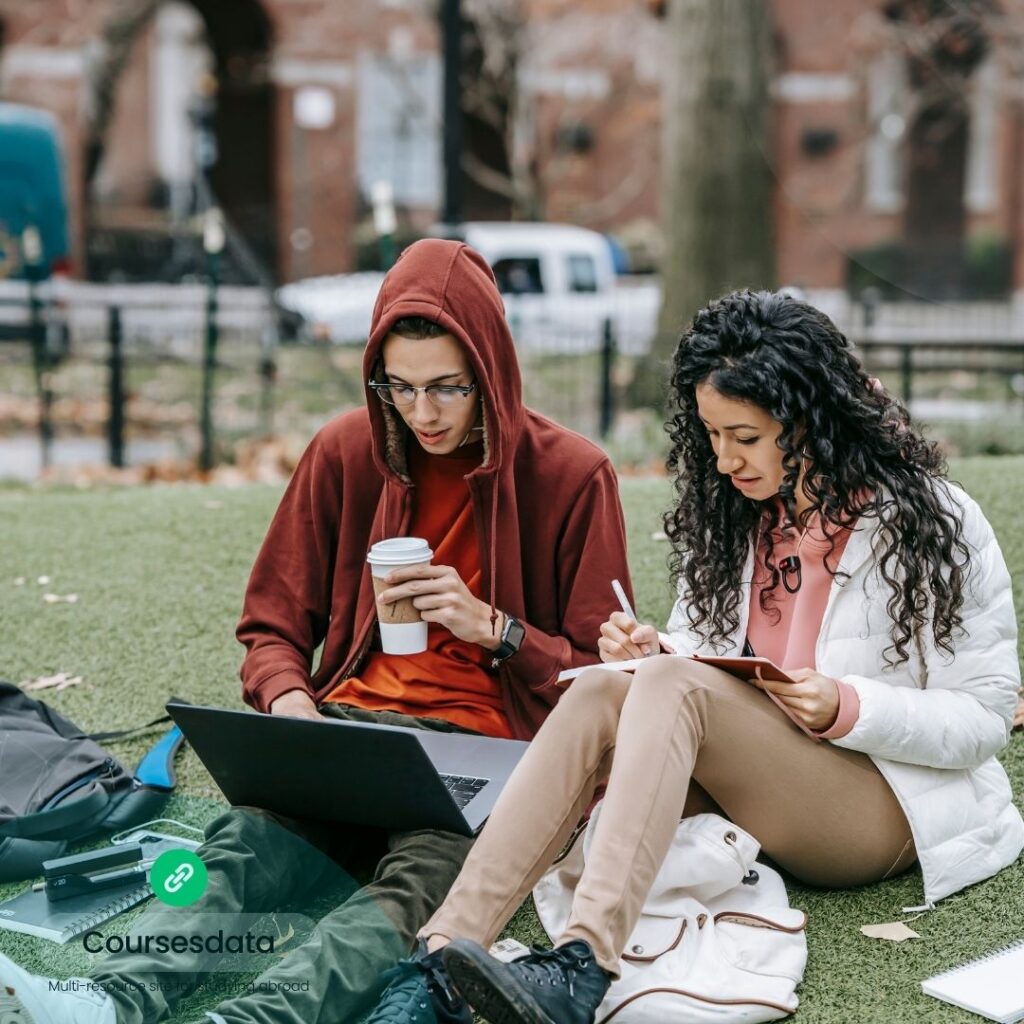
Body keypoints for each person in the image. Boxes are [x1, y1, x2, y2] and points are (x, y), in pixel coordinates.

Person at [0, 239, 632, 1024]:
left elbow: (603, 683)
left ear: (492, 374)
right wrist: (292, 705)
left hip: (487, 758)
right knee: (237, 851)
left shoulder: (573, 475)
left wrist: (496, 629)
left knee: (408, 896)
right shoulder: (344, 453)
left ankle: (254, 1019)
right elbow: (270, 626)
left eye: (447, 388)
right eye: (398, 386)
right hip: (346, 734)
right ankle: (110, 998)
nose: (422, 412)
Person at [363, 289, 1024, 1024]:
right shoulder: (734, 517)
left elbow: (987, 716)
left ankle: (585, 962)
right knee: (602, 691)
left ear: (811, 425)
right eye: (711, 435)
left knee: (667, 684)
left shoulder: (937, 521)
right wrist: (656, 650)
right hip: (763, 781)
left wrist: (848, 706)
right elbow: (703, 668)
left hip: (883, 803)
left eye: (743, 436)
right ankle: (440, 957)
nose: (723, 459)